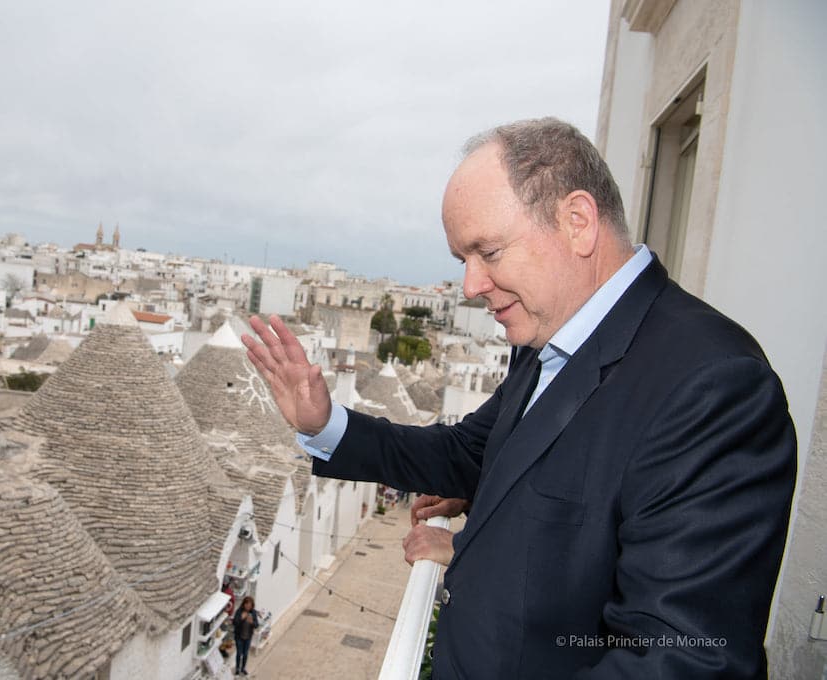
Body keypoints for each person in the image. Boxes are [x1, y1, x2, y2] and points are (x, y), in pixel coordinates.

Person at [242, 117, 796, 679]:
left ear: (578, 222)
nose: (470, 286)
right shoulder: (545, 341)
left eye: (488, 252)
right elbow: (471, 456)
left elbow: (683, 660)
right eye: (464, 260)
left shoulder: (713, 385)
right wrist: (326, 423)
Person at [232, 595, 259, 676]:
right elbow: (235, 623)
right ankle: (237, 669)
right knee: (239, 653)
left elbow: (256, 625)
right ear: (244, 604)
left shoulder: (253, 612)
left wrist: (252, 622)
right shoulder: (239, 611)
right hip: (239, 637)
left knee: (245, 654)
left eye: (250, 605)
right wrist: (242, 618)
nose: (248, 607)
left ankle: (243, 668)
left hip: (248, 637)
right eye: (246, 605)